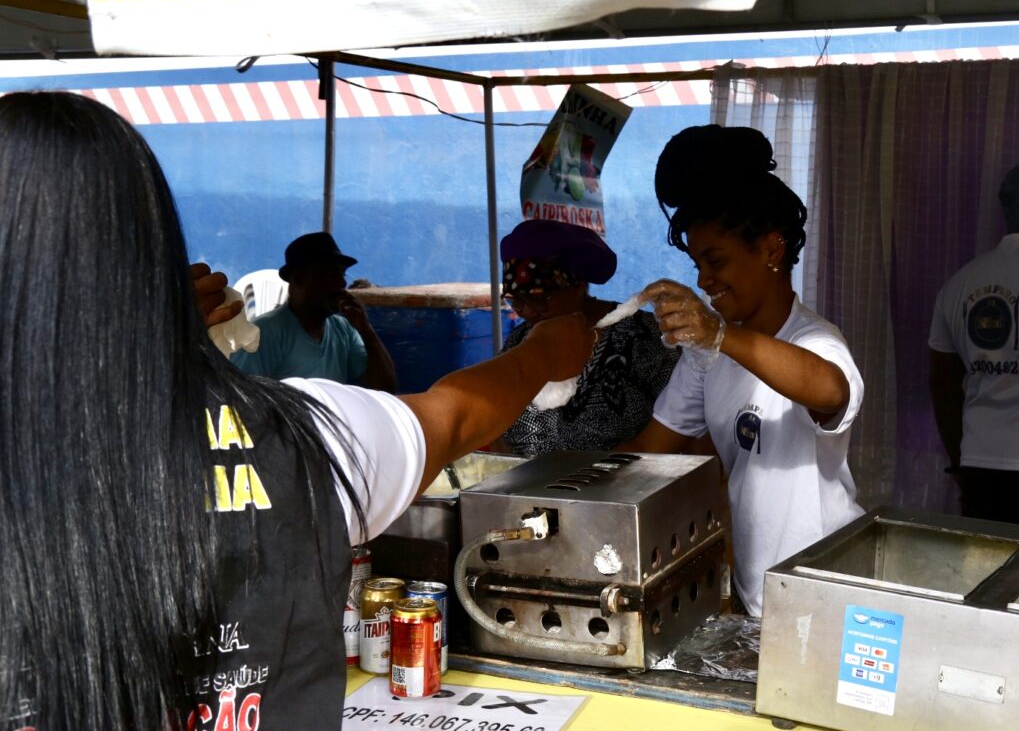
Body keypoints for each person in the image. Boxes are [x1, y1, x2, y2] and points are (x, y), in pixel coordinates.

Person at [0, 91, 596, 730]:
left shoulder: (331, 361)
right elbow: (452, 418)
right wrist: (542, 355)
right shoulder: (306, 433)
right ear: (156, 254)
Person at [626, 124, 865, 616]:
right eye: (696, 263)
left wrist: (717, 334)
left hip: (828, 589)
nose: (703, 279)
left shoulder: (814, 339)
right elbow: (648, 455)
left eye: (715, 260)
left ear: (772, 250)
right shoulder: (706, 356)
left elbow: (827, 388)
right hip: (758, 591)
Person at [493, 219, 679, 455]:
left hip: (619, 486)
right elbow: (495, 421)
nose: (527, 311)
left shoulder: (642, 335)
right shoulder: (519, 341)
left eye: (539, 298)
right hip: (520, 487)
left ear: (577, 285)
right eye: (516, 299)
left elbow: (683, 425)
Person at [928, 161, 1019, 523]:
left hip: (980, 465)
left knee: (993, 576)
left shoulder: (960, 282)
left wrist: (960, 460)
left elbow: (941, 382)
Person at [230, 232, 398, 392]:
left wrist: (366, 329)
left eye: (341, 274)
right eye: (329, 274)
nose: (341, 283)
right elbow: (239, 396)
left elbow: (385, 388)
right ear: (298, 280)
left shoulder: (344, 330)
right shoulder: (265, 333)